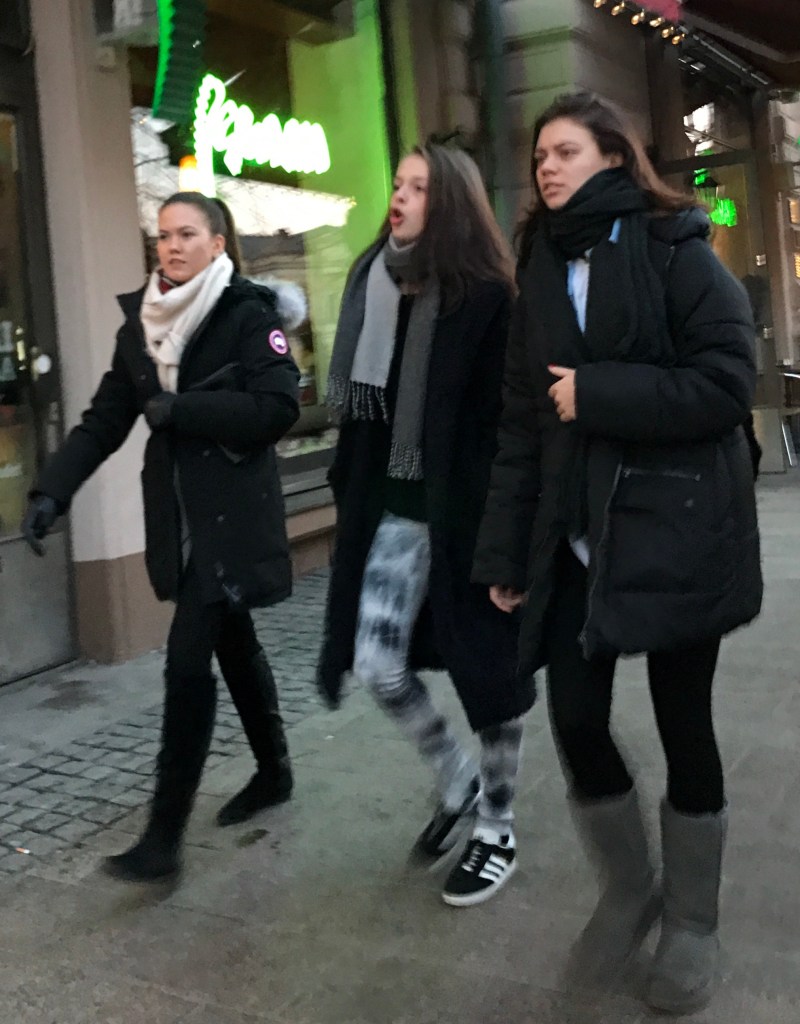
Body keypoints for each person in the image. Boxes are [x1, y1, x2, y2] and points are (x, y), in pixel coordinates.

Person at [472, 92, 762, 1012]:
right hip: (577, 537)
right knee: (576, 719)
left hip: (678, 530)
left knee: (685, 726)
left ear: (612, 156)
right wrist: (505, 554)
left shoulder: (676, 249)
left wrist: (600, 393)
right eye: (539, 155)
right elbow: (522, 423)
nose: (546, 167)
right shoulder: (538, 266)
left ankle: (693, 921)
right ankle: (630, 888)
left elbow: (728, 380)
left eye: (565, 151)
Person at [21, 191, 303, 882]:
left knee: (187, 662)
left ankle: (163, 836)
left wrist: (184, 409)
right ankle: (274, 771)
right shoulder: (142, 325)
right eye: (163, 235)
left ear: (218, 243)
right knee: (232, 640)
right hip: (178, 520)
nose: (171, 247)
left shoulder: (247, 313)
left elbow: (277, 407)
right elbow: (104, 420)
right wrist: (52, 491)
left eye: (186, 234)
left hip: (231, 518)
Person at [316, 144, 535, 907]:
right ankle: (456, 777)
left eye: (418, 186)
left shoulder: (489, 301)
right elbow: (362, 422)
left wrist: (510, 544)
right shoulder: (376, 286)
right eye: (398, 184)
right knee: (377, 664)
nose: (399, 196)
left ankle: (497, 828)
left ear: (450, 203)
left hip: (469, 523)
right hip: (394, 518)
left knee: (493, 684)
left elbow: (513, 432)